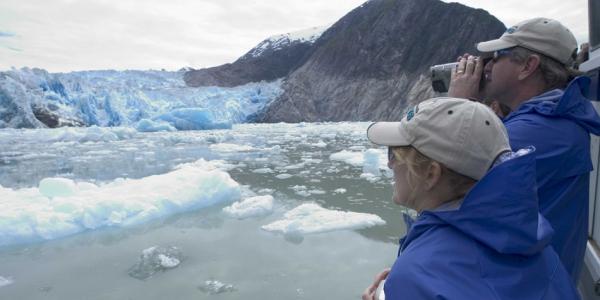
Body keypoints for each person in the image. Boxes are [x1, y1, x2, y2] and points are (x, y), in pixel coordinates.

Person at [362, 98, 579, 299]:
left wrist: (408, 284)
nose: (390, 164)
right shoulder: (534, 239)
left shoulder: (417, 276)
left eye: (395, 153)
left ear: (430, 174)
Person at [448, 17, 600, 283]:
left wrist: (458, 106)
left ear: (528, 66)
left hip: (519, 286)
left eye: (497, 56)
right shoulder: (552, 120)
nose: (488, 65)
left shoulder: (537, 132)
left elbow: (440, 185)